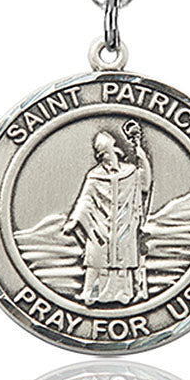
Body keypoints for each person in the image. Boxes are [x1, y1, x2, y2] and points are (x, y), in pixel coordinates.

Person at [63, 128, 152, 305]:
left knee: (122, 260)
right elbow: (86, 199)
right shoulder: (95, 176)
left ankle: (124, 294)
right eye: (101, 155)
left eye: (106, 153)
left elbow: (144, 184)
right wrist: (74, 220)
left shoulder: (130, 172)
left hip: (124, 224)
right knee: (97, 257)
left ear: (115, 151)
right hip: (100, 225)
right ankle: (91, 294)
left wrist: (140, 152)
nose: (104, 157)